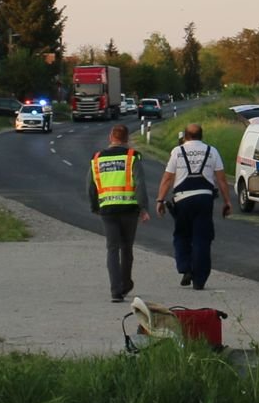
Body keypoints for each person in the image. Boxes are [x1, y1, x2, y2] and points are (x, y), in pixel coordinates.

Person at [154, 123, 230, 290]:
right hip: (204, 198)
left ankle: (186, 267)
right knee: (202, 239)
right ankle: (199, 280)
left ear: (185, 136)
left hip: (182, 199)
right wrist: (227, 202)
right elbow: (222, 179)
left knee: (182, 235)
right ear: (201, 135)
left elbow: (167, 178)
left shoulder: (177, 151)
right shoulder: (212, 151)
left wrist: (160, 200)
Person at [89, 124, 152, 301]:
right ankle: (125, 284)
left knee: (112, 248)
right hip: (129, 209)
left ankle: (115, 291)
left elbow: (91, 186)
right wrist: (143, 208)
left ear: (111, 137)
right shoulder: (132, 157)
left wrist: (95, 206)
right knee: (126, 247)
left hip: (107, 209)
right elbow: (140, 184)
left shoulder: (97, 158)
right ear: (127, 139)